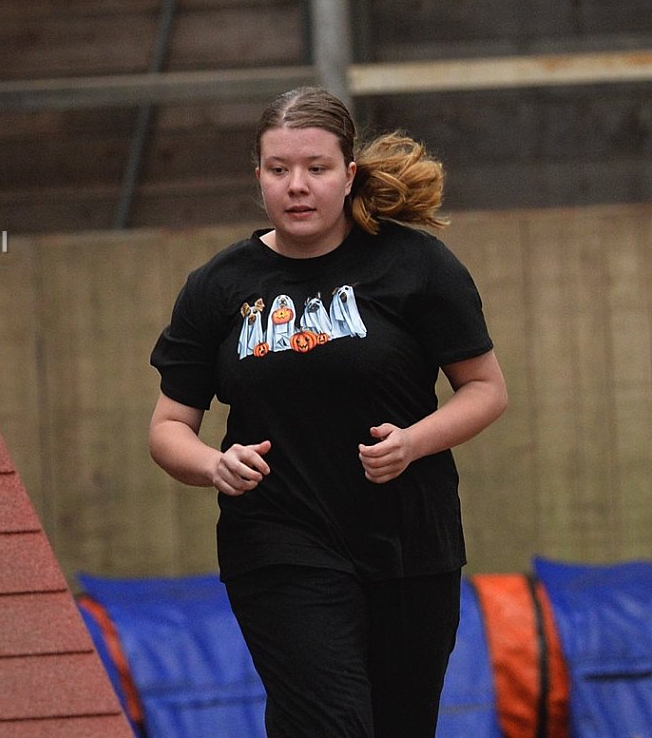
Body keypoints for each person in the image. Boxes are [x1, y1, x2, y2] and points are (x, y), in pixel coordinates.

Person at [148, 86, 508, 738]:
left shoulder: (415, 265)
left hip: (410, 544)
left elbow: (486, 389)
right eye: (278, 168)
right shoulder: (218, 287)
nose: (297, 185)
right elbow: (170, 427)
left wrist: (414, 441)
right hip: (279, 541)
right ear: (257, 176)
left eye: (316, 167)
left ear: (348, 174)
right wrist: (212, 464)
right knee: (329, 723)